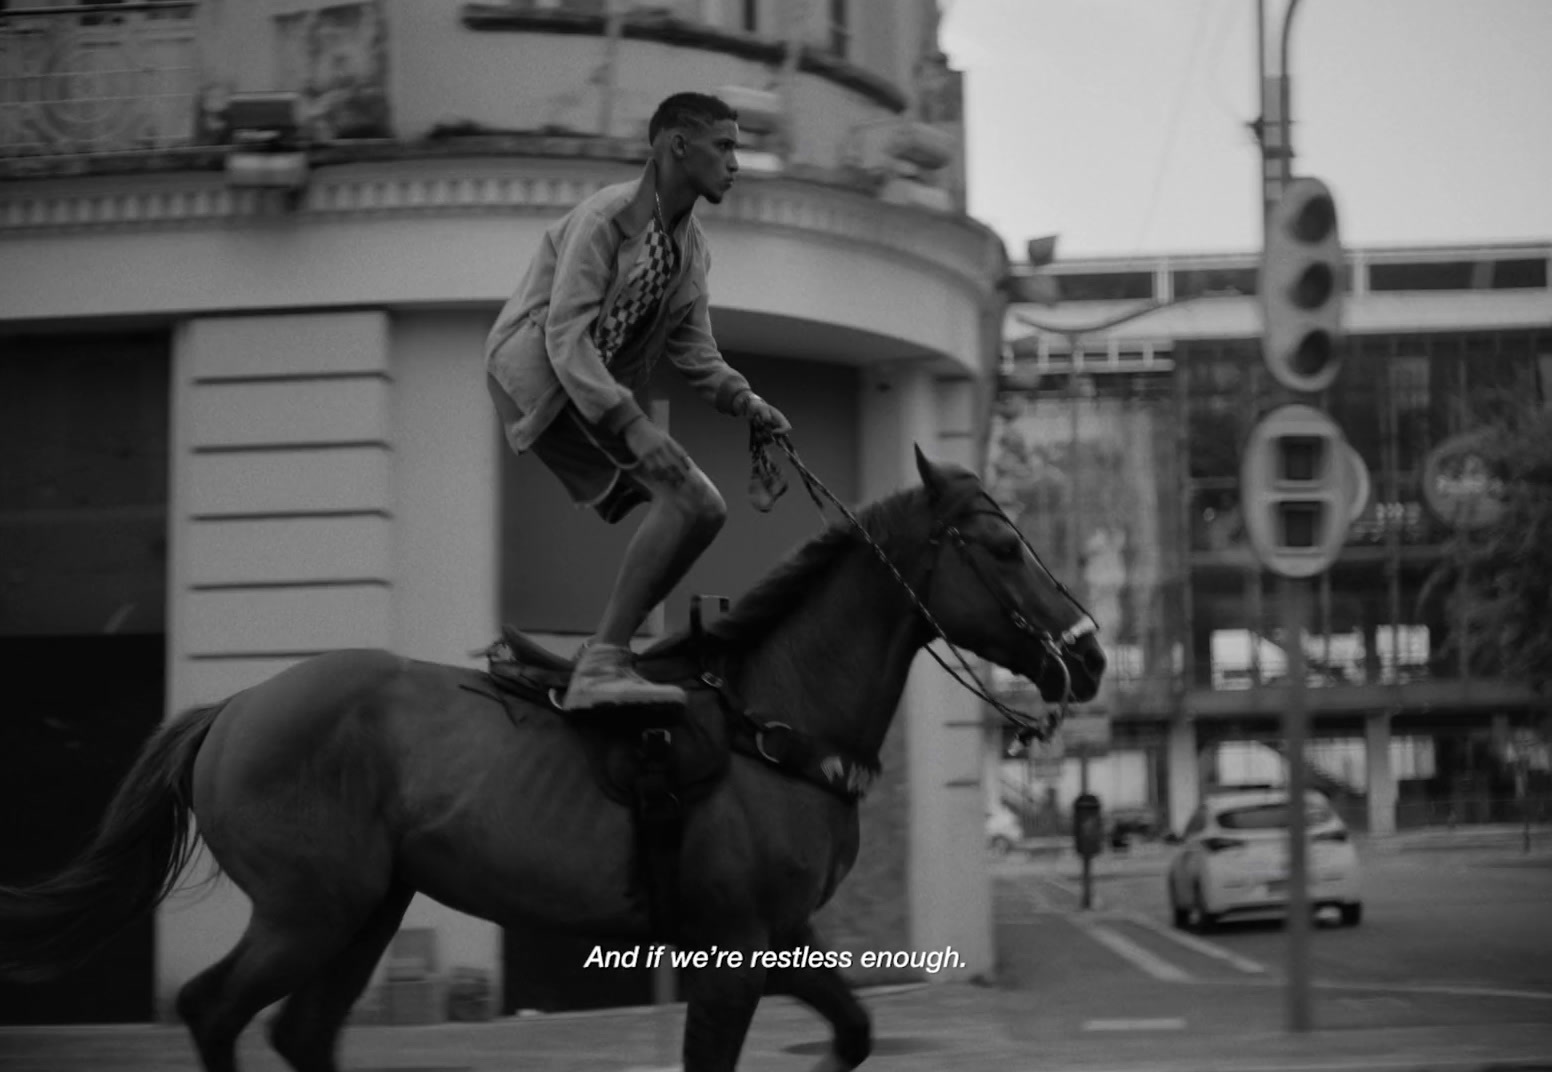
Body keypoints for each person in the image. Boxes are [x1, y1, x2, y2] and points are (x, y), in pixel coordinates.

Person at [485, 91, 790, 712]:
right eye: (725, 146)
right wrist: (633, 424)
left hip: (591, 389)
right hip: (541, 378)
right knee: (690, 498)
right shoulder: (609, 218)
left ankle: (608, 653)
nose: (736, 163)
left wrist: (746, 400)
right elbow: (564, 335)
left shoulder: (691, 248)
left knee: (704, 509)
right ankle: (604, 661)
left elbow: (696, 351)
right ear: (679, 146)